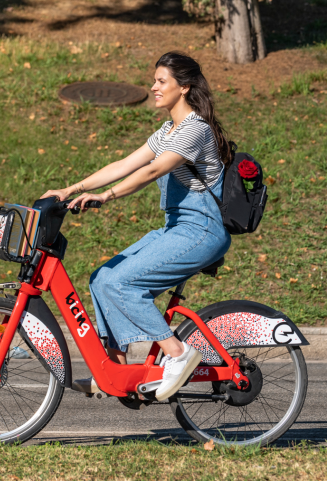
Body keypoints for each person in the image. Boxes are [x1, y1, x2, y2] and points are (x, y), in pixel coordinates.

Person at [40, 51, 233, 401]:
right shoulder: (169, 129)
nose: (153, 87)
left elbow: (152, 171)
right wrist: (72, 189)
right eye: (154, 80)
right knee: (102, 278)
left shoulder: (195, 130)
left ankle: (178, 353)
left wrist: (107, 196)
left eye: (161, 81)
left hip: (201, 231)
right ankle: (113, 370)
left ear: (184, 87)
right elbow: (126, 163)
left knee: (121, 283)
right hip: (178, 228)